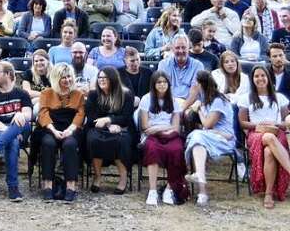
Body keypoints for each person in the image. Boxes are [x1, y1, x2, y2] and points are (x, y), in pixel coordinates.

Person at [238, 65, 290, 208]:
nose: (260, 78)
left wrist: (274, 123)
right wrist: (257, 126)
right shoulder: (246, 98)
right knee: (268, 137)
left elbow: (285, 123)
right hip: (256, 133)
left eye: (263, 75)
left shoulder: (279, 97)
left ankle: (268, 194)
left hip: (276, 132)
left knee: (269, 152)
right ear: (252, 79)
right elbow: (242, 122)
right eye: (256, 76)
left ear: (268, 77)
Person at [0, 61, 32, 201]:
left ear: (8, 74)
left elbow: (28, 115)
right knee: (12, 141)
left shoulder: (22, 93)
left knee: (19, 122)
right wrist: (11, 131)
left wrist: (21, 115)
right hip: (0, 131)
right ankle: (13, 188)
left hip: (22, 128)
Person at [183, 70, 237, 206]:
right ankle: (202, 192)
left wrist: (199, 109)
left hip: (224, 140)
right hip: (210, 138)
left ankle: (198, 175)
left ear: (201, 84)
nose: (193, 86)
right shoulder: (206, 100)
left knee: (196, 135)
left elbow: (207, 124)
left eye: (195, 83)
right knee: (198, 144)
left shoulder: (218, 100)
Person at [36, 63, 85, 202]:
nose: (67, 80)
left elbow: (80, 114)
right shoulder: (47, 93)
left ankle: (71, 185)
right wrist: (53, 130)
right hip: (50, 127)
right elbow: (43, 113)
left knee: (69, 145)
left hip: (71, 128)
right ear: (56, 79)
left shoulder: (78, 94)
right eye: (63, 78)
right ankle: (47, 184)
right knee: (48, 143)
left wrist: (70, 130)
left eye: (69, 76)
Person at [139, 70, 189, 205]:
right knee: (152, 149)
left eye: (164, 82)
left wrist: (158, 127)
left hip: (170, 135)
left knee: (176, 150)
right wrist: (161, 128)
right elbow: (145, 126)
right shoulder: (146, 99)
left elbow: (176, 127)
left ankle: (169, 188)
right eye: (159, 82)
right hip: (153, 136)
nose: (162, 85)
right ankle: (153, 190)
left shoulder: (174, 101)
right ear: (154, 84)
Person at [83, 66, 134, 194]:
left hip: (121, 128)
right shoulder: (93, 95)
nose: (102, 80)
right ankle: (97, 177)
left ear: (113, 79)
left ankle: (123, 179)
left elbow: (126, 117)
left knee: (120, 141)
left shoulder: (126, 94)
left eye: (105, 77)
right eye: (100, 77)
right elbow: (91, 117)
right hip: (97, 128)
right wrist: (108, 123)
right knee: (93, 140)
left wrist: (110, 120)